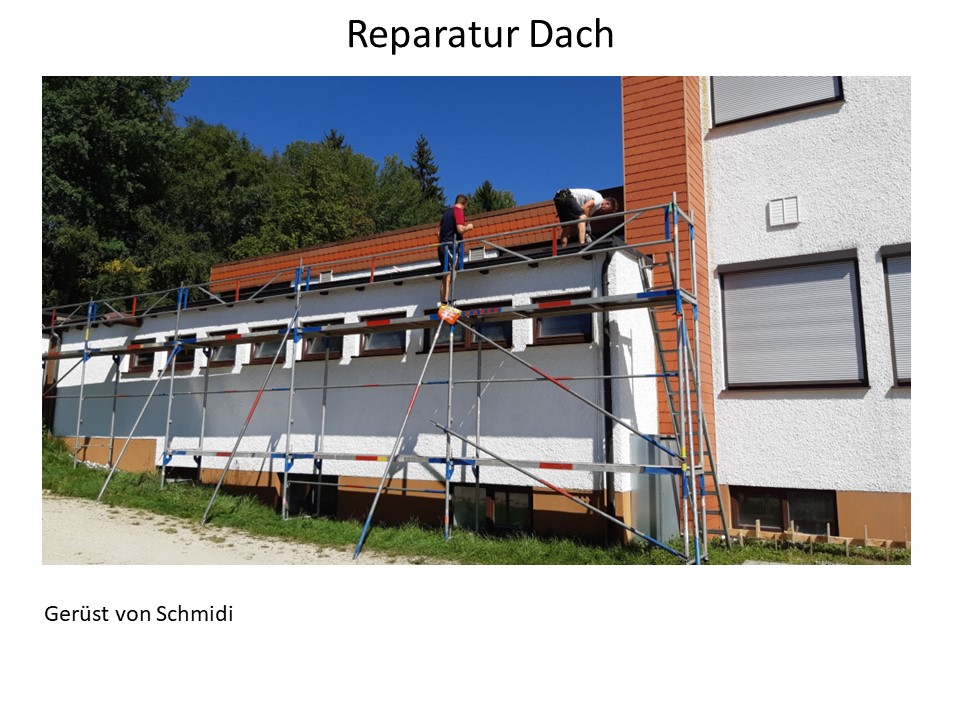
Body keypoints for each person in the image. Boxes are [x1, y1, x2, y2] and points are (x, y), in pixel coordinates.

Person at [437, 194, 473, 304]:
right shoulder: (458, 211)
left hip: (442, 246)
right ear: (465, 204)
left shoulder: (446, 213)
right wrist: (469, 227)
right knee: (449, 275)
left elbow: (438, 233)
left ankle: (443, 302)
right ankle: (446, 303)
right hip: (451, 246)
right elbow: (460, 229)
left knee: (445, 275)